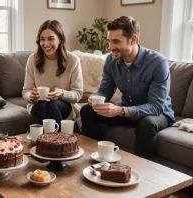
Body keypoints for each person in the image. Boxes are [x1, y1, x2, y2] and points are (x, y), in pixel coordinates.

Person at [80, 16, 174, 159]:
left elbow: (155, 106)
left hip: (157, 114)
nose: (111, 47)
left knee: (147, 123)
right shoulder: (111, 60)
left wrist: (120, 111)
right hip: (126, 110)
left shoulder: (158, 62)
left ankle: (143, 171)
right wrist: (97, 98)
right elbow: (105, 89)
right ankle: (98, 158)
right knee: (87, 110)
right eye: (109, 41)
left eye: (116, 41)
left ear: (133, 39)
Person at [22, 20, 83, 128]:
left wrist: (62, 93)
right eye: (42, 39)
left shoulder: (73, 60)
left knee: (53, 104)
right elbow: (26, 90)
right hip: (39, 104)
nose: (45, 44)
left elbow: (78, 94)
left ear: (60, 39)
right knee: (43, 104)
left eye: (50, 39)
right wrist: (31, 96)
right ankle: (58, 141)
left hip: (64, 105)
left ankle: (48, 141)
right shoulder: (33, 59)